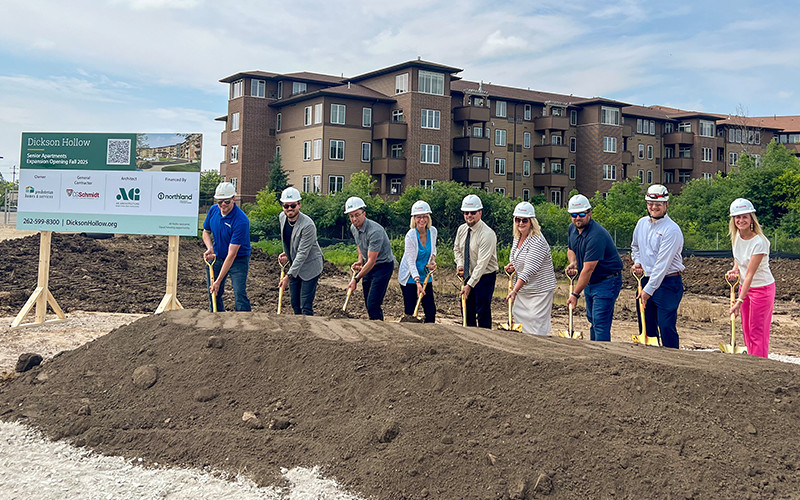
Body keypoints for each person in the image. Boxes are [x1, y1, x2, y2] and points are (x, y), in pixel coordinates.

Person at [631, 185, 685, 348]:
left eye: (658, 204)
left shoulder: (671, 230)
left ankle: (673, 359)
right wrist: (637, 262)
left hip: (668, 283)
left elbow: (662, 265)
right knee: (646, 326)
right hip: (645, 280)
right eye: (650, 204)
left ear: (666, 205)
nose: (654, 207)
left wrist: (648, 291)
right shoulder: (641, 224)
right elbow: (635, 247)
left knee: (666, 326)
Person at [566, 194, 623, 341]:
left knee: (600, 321)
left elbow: (588, 269)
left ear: (589, 214)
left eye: (581, 214)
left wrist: (575, 294)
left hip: (607, 281)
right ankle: (595, 353)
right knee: (592, 319)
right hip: (591, 282)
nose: (577, 218)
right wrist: (573, 262)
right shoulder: (572, 229)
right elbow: (571, 249)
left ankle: (603, 356)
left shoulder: (596, 235)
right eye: (574, 214)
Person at [726, 198, 775, 358]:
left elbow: (750, 274)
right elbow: (739, 259)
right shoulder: (736, 236)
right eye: (737, 217)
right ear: (733, 219)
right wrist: (734, 269)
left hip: (761, 289)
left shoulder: (759, 242)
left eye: (744, 217)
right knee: (746, 330)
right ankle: (751, 365)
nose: (741, 220)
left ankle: (760, 366)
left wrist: (739, 301)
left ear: (751, 218)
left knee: (757, 332)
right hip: (745, 288)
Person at [504, 202, 557, 335]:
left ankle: (539, 347)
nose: (520, 223)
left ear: (531, 221)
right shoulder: (518, 237)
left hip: (539, 290)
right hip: (525, 289)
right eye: (517, 220)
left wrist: (514, 290)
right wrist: (513, 265)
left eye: (524, 220)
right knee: (519, 316)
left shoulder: (537, 240)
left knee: (535, 320)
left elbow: (529, 269)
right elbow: (516, 258)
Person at [344, 196, 396, 320]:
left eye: (357, 215)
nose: (354, 219)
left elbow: (372, 261)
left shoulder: (375, 231)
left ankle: (378, 328)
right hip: (369, 264)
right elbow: (360, 244)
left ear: (364, 213)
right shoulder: (353, 228)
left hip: (383, 265)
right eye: (351, 216)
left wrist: (356, 280)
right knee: (368, 301)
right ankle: (374, 324)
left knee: (373, 303)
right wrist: (360, 260)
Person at [202, 181, 251, 312]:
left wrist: (218, 281)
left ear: (234, 199)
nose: (223, 205)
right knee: (213, 291)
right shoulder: (213, 211)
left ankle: (245, 322)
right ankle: (217, 319)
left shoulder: (241, 221)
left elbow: (232, 254)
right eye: (220, 201)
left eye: (227, 201)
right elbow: (206, 231)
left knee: (239, 293)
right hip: (218, 256)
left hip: (238, 259)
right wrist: (210, 248)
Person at [454, 194, 498, 328]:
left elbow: (482, 264)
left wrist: (469, 285)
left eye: (472, 212)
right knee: (467, 309)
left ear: (480, 213)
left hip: (485, 276)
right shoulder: (462, 229)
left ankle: (485, 339)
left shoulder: (487, 234)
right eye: (466, 212)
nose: (469, 215)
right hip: (469, 273)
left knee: (482, 310)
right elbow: (457, 249)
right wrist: (460, 265)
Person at [278, 187, 324, 316]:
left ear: (299, 205)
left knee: (305, 305)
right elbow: (288, 239)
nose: (289, 209)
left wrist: (288, 276)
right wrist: (287, 253)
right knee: (295, 304)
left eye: (293, 205)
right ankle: (300, 332)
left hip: (310, 267)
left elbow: (303, 253)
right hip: (295, 266)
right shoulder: (282, 218)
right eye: (286, 206)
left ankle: (310, 332)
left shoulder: (308, 225)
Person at [397, 200, 438, 322]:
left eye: (425, 216)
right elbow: (410, 262)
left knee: (430, 310)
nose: (422, 220)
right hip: (410, 276)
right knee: (410, 310)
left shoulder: (433, 231)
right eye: (418, 217)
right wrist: (417, 283)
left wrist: (432, 261)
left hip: (425, 274)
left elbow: (433, 249)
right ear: (414, 219)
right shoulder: (411, 236)